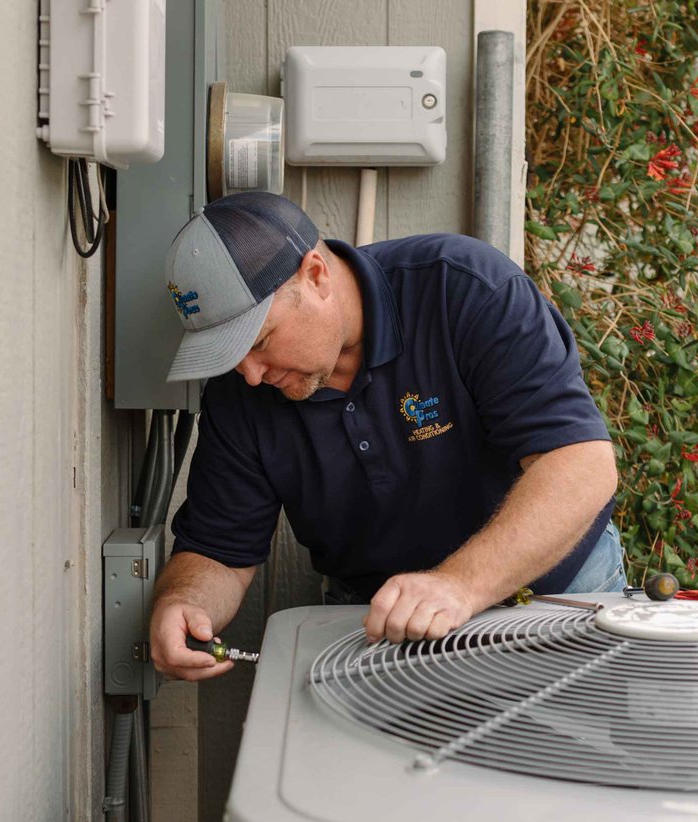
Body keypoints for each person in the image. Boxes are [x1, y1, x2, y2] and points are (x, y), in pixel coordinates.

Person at [148, 191, 622, 682]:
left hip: (559, 595)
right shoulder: (238, 393)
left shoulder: (464, 287)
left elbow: (580, 466)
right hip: (382, 628)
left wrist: (459, 586)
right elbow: (219, 551)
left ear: (316, 276)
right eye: (230, 355)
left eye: (260, 341)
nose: (250, 374)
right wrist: (184, 603)